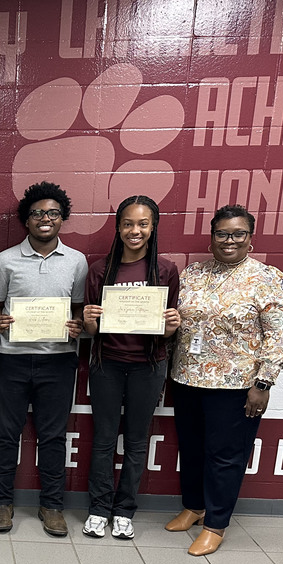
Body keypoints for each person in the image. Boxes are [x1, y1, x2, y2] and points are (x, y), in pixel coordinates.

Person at [167, 205, 283, 556]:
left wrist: (263, 383)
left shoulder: (268, 278)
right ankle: (195, 507)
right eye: (222, 233)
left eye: (238, 234)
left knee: (225, 456)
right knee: (191, 449)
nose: (229, 240)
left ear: (250, 239)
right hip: (187, 378)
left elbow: (279, 336)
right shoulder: (193, 274)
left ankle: (215, 524)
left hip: (236, 386)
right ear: (211, 238)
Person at [0, 181, 87, 536]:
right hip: (10, 358)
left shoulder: (77, 262)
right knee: (5, 435)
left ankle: (52, 506)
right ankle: (1, 503)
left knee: (53, 436)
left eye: (53, 213)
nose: (45, 218)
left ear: (63, 219)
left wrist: (77, 325)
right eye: (37, 213)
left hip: (58, 361)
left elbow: (78, 309)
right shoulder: (5, 260)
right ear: (26, 220)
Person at [81, 197, 180, 540]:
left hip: (148, 367)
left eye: (142, 224)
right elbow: (91, 334)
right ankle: (98, 508)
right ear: (118, 227)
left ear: (153, 228)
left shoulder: (166, 270)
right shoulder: (99, 270)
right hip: (107, 365)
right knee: (104, 439)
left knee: (137, 441)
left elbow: (168, 329)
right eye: (127, 223)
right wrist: (89, 322)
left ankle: (124, 510)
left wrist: (171, 326)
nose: (134, 231)